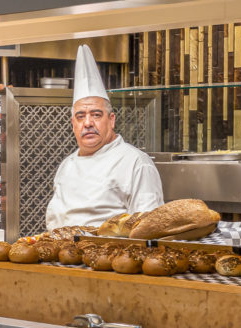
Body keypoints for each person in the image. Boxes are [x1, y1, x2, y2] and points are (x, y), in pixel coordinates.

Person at [45, 45, 164, 230]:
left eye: (96, 114)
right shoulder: (66, 165)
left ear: (111, 120)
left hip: (109, 256)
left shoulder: (136, 163)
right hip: (59, 256)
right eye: (81, 116)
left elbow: (149, 228)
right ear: (73, 124)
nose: (88, 123)